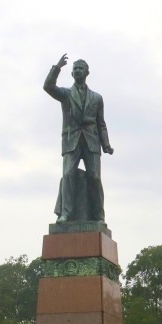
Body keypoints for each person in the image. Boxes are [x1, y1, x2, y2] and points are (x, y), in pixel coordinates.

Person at [43, 53, 113, 223]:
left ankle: (98, 216)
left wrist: (106, 144)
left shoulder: (97, 98)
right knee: (67, 175)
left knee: (94, 178)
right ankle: (65, 214)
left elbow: (101, 123)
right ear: (72, 74)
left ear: (87, 73)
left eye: (81, 68)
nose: (78, 71)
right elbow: (48, 87)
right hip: (71, 140)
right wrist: (57, 68)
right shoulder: (66, 94)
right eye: (75, 69)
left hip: (91, 141)